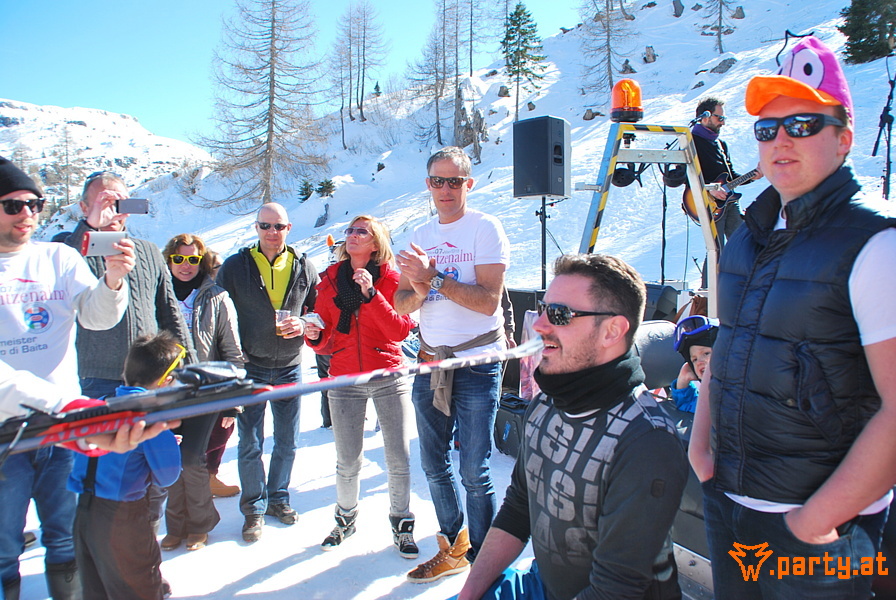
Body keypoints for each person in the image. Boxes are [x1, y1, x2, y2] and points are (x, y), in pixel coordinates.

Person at [689, 36, 896, 598]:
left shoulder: (875, 243)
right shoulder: (748, 237)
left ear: (844, 137)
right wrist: (700, 449)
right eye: (767, 128)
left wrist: (816, 518)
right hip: (730, 507)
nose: (781, 140)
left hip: (820, 534)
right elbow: (729, 344)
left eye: (803, 124)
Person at [457, 253, 688, 600]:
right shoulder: (547, 401)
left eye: (560, 314)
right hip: (541, 584)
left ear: (612, 330)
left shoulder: (646, 442)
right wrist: (469, 593)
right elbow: (520, 506)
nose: (539, 325)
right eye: (543, 308)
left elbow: (615, 590)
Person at [0, 157, 133, 600]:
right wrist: (63, 406)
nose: (27, 215)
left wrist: (113, 280)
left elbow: (95, 319)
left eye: (34, 204)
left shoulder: (57, 257)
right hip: (6, 434)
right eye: (14, 205)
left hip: (61, 427)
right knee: (4, 548)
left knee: (63, 537)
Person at [395, 146, 510, 582]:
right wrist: (422, 287)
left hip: (478, 363)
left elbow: (487, 303)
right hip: (429, 362)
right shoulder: (420, 234)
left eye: (454, 181)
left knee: (474, 469)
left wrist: (435, 277)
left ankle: (485, 559)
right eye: (438, 181)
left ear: (468, 184)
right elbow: (403, 302)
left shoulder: (485, 228)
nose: (446, 189)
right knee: (432, 463)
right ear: (428, 185)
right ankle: (453, 547)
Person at [304, 215, 418, 556]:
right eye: (350, 231)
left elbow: (399, 331)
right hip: (344, 378)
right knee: (347, 460)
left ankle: (402, 523)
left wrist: (371, 294)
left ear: (375, 241)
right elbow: (327, 340)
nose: (352, 236)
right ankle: (345, 519)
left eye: (361, 231)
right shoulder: (328, 281)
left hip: (387, 374)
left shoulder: (393, 278)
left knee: (398, 458)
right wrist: (315, 335)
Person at [217, 202, 318, 543]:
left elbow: (318, 313)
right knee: (250, 443)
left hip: (290, 366)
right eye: (265, 226)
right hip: (251, 366)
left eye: (279, 227)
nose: (272, 233)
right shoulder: (235, 266)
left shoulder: (305, 266)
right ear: (256, 228)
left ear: (289, 228)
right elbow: (218, 314)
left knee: (287, 442)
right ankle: (253, 508)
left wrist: (304, 323)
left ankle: (278, 499)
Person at [68, 333, 182, 600]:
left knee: (96, 590)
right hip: (123, 521)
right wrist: (165, 444)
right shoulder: (151, 422)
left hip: (84, 514)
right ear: (166, 381)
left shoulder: (100, 406)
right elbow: (168, 476)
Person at [63, 171, 194, 398]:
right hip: (93, 379)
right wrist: (89, 226)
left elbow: (170, 313)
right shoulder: (67, 249)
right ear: (84, 208)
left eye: (120, 203)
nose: (112, 211)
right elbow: (64, 261)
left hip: (152, 376)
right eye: (103, 203)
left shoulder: (149, 251)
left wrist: (190, 367)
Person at [159, 233, 245, 551]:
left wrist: (231, 403)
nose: (185, 265)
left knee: (193, 460)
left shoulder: (216, 296)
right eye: (179, 258)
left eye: (192, 259)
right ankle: (175, 526)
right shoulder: (158, 295)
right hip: (166, 394)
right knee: (170, 461)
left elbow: (232, 353)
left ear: (202, 261)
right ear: (169, 259)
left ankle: (200, 525)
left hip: (205, 391)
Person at [691, 97, 761, 243]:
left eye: (724, 118)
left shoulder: (721, 144)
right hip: (708, 202)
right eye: (720, 118)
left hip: (729, 201)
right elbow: (684, 175)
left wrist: (753, 176)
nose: (722, 122)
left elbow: (730, 177)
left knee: (741, 245)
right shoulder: (691, 141)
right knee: (715, 250)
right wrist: (709, 188)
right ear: (705, 116)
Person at [669, 315, 717, 414]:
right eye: (694, 360)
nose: (699, 362)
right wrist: (683, 381)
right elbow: (688, 405)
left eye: (706, 353)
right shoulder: (707, 400)